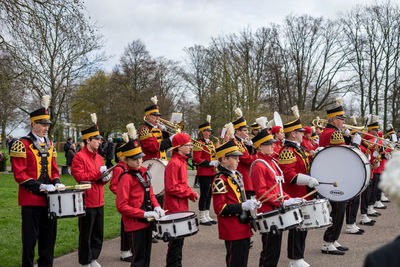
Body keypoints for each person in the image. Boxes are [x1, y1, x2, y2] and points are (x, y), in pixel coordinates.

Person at [10, 94, 64, 267]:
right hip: (31, 201)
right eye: (43, 124)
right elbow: (20, 175)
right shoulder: (21, 144)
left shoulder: (50, 144)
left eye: (48, 124)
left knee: (49, 241)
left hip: (51, 200)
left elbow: (54, 169)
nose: (46, 128)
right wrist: (41, 186)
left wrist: (56, 182)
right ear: (33, 123)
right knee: (30, 242)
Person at [251, 129, 303, 267]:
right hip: (268, 212)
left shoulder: (272, 162)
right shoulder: (258, 165)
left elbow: (277, 188)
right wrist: (283, 200)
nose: (273, 146)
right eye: (269, 144)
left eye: (273, 143)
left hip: (277, 210)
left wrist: (289, 198)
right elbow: (262, 192)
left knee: (275, 251)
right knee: (269, 252)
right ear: (260, 147)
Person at [116, 130, 165, 267]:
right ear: (126, 160)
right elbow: (121, 206)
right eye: (134, 159)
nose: (139, 161)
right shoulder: (125, 178)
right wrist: (143, 213)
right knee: (138, 259)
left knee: (146, 257)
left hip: (147, 222)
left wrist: (157, 206)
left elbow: (150, 193)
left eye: (140, 157)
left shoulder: (144, 172)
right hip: (135, 223)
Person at [278, 110, 319, 266]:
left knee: (303, 225)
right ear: (293, 134)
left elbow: (302, 163)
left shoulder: (298, 149)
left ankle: (299, 256)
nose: (303, 134)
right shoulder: (287, 151)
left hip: (303, 192)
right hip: (295, 193)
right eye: (300, 132)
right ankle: (294, 259)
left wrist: (313, 154)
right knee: (297, 226)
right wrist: (308, 180)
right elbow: (289, 175)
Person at [71, 113, 111, 267]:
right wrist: (99, 174)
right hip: (86, 201)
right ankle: (84, 261)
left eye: (100, 139)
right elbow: (81, 177)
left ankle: (93, 258)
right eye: (97, 139)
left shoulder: (99, 157)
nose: (100, 141)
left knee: (98, 233)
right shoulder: (79, 157)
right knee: (86, 234)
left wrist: (105, 178)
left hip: (99, 200)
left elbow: (98, 179)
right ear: (88, 140)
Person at [212, 139, 259, 267]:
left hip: (243, 225)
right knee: (235, 262)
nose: (239, 160)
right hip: (232, 228)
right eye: (234, 157)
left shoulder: (236, 175)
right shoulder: (220, 180)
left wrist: (249, 203)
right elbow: (219, 209)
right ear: (223, 159)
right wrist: (243, 206)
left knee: (243, 260)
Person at [319, 98, 350, 255]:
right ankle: (328, 241)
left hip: (331, 174)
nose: (343, 122)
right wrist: (352, 143)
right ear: (334, 119)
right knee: (338, 209)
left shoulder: (329, 132)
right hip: (334, 176)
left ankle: (333, 239)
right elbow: (343, 155)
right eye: (341, 119)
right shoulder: (333, 134)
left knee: (339, 209)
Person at [164, 133, 198, 267]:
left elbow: (181, 185)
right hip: (174, 208)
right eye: (188, 144)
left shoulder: (182, 162)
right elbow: (171, 187)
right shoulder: (174, 163)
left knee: (179, 242)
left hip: (181, 206)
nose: (190, 147)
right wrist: (189, 192)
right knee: (175, 242)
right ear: (179, 147)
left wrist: (189, 193)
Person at [364, 151, 400, 267]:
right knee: (369, 195)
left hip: (377, 171)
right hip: (373, 171)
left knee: (373, 193)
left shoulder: (379, 260)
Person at [109, 132, 131, 262]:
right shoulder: (119, 169)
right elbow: (113, 186)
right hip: (125, 202)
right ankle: (124, 251)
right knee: (125, 227)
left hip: (132, 201)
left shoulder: (128, 168)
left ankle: (129, 249)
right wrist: (123, 194)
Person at [193, 115, 218, 226]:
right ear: (203, 132)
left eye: (210, 130)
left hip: (212, 172)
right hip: (204, 172)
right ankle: (202, 216)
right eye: (208, 130)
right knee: (204, 194)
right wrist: (209, 163)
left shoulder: (211, 143)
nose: (209, 132)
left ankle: (207, 214)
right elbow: (196, 159)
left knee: (209, 194)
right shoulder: (199, 143)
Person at [232, 108, 256, 199]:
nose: (247, 133)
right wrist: (258, 155)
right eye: (245, 130)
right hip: (242, 176)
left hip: (246, 175)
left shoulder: (242, 142)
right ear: (238, 131)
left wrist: (250, 147)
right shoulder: (236, 143)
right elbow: (246, 160)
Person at [139, 96, 172, 161]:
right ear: (148, 116)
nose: (158, 118)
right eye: (155, 115)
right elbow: (153, 147)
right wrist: (171, 139)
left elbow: (165, 146)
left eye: (158, 116)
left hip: (161, 160)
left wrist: (165, 132)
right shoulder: (145, 130)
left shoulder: (158, 129)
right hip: (151, 163)